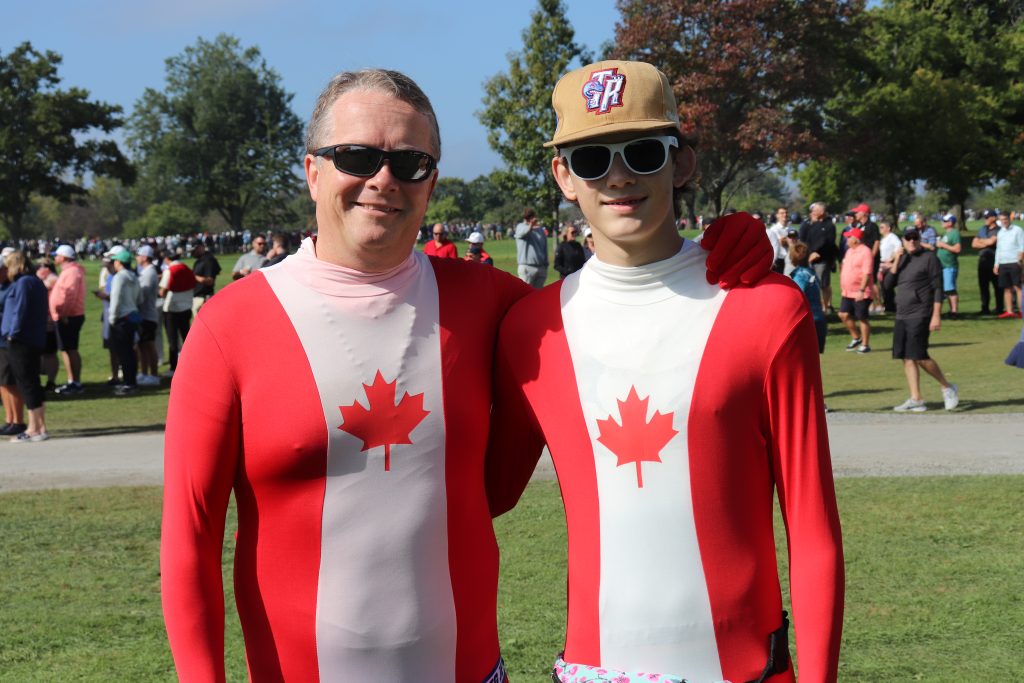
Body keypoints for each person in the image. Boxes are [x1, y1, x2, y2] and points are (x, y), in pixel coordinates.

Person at [160, 67, 768, 682]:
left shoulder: (493, 305)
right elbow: (189, 545)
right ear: (313, 170)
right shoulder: (227, 327)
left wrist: (724, 251)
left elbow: (625, 291)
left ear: (432, 182)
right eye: (356, 156)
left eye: (410, 163)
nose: (382, 179)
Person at [486, 59, 842, 683]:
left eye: (644, 151)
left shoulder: (767, 309)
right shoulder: (528, 330)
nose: (619, 176)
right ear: (563, 176)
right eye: (593, 159)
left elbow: (813, 531)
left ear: (682, 163)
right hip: (591, 670)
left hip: (747, 671)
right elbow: (483, 495)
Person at [890, 228, 958, 411]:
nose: (912, 241)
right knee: (906, 356)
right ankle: (916, 398)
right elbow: (888, 284)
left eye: (915, 238)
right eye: (908, 238)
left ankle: (947, 386)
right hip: (901, 313)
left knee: (919, 355)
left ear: (920, 239)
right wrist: (896, 259)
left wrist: (936, 315)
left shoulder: (929, 258)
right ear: (903, 241)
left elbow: (938, 288)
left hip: (921, 312)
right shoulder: (902, 259)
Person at [2, 250, 50, 441]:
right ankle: (40, 426)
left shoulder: (23, 283)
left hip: (22, 340)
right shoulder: (35, 281)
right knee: (32, 382)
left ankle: (33, 428)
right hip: (33, 338)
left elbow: (20, 309)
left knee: (26, 383)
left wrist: (13, 333)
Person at [49, 244, 87, 395]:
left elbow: (69, 295)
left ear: (63, 257)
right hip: (66, 315)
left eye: (57, 255)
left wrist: (64, 313)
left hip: (69, 316)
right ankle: (72, 381)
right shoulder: (69, 271)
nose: (55, 258)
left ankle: (75, 382)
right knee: (66, 349)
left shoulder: (71, 272)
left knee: (70, 349)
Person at [104, 246, 141, 396]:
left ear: (119, 262)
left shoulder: (119, 277)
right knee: (130, 352)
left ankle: (128, 383)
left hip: (121, 319)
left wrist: (112, 318)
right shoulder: (133, 276)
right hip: (132, 316)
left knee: (123, 353)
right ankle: (131, 381)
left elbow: (116, 298)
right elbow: (140, 297)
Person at [0, 256, 26, 436]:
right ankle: (9, 419)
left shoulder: (13, 287)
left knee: (11, 381)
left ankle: (18, 420)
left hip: (7, 339)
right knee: (2, 381)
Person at [159, 251, 195, 376]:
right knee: (186, 338)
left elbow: (163, 291)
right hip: (186, 306)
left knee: (172, 340)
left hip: (172, 309)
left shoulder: (169, 270)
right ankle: (191, 364)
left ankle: (173, 367)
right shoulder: (186, 268)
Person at [838, 227, 874, 353]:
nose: (846, 239)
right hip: (847, 291)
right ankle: (856, 337)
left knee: (862, 317)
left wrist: (862, 290)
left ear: (856, 239)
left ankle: (865, 344)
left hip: (861, 292)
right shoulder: (849, 251)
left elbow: (866, 273)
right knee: (843, 314)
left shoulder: (866, 252)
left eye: (849, 237)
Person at [799, 201, 838, 313]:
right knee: (809, 284)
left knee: (823, 284)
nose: (813, 212)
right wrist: (808, 254)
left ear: (822, 212)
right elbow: (804, 240)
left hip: (822, 260)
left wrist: (815, 252)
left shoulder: (829, 225)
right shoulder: (809, 224)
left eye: (815, 210)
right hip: (808, 259)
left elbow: (828, 242)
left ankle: (825, 308)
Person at [135, 245, 161, 386]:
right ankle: (144, 373)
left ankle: (154, 375)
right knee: (142, 346)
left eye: (139, 255)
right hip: (143, 315)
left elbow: (142, 295)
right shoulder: (146, 271)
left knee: (149, 346)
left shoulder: (149, 273)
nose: (137, 258)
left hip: (148, 315)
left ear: (145, 257)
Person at [972, 209, 1004, 315]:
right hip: (983, 261)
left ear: (994, 218)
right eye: (985, 217)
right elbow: (974, 244)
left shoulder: (999, 230)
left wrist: (982, 241)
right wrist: (986, 242)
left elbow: (992, 241)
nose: (985, 219)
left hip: (995, 261)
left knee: (997, 286)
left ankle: (999, 308)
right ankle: (985, 308)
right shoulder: (982, 229)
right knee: (983, 286)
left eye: (987, 217)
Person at [994, 209, 1024, 319]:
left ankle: (1022, 311)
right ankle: (1009, 311)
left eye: (1005, 219)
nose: (1003, 222)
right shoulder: (1000, 232)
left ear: (1009, 219)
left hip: (1014, 262)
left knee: (1018, 287)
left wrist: (1020, 262)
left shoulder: (1017, 230)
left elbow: (1022, 247)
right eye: (1001, 220)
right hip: (1003, 263)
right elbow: (998, 249)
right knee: (1007, 288)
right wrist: (996, 264)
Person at [514, 207, 549, 287]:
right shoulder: (521, 226)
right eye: (528, 217)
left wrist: (545, 266)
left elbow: (544, 248)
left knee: (538, 296)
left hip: (541, 267)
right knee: (526, 295)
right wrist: (530, 226)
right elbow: (522, 234)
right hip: (527, 267)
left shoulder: (540, 230)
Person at [935, 213, 961, 317]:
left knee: (950, 289)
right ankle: (951, 311)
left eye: (944, 221)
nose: (942, 222)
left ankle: (954, 311)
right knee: (946, 289)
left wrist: (942, 245)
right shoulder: (946, 233)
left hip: (949, 266)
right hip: (943, 266)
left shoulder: (954, 233)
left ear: (950, 223)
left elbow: (957, 249)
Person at [876, 221, 901, 314]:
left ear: (888, 228)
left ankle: (891, 306)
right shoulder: (883, 239)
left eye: (882, 227)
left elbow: (899, 248)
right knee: (883, 287)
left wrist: (891, 259)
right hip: (881, 264)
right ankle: (888, 306)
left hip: (889, 265)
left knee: (887, 286)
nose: (880, 229)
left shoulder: (893, 238)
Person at [191, 241, 221, 315]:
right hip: (199, 296)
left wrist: (192, 276)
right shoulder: (200, 260)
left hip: (204, 297)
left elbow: (209, 281)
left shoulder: (208, 260)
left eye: (194, 251)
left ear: (201, 247)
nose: (192, 253)